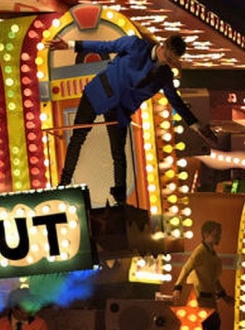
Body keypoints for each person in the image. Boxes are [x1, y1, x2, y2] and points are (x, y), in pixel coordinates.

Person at [49, 34, 217, 205]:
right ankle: (64, 183)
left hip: (121, 109)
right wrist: (70, 45)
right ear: (163, 44)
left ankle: (120, 199)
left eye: (171, 60)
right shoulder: (135, 44)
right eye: (166, 56)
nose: (166, 61)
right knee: (78, 138)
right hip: (99, 92)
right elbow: (105, 46)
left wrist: (197, 126)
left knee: (118, 153)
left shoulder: (165, 75)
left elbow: (176, 102)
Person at [172, 220, 234, 330]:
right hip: (200, 297)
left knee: (208, 327)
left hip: (209, 297)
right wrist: (177, 287)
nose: (219, 238)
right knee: (203, 327)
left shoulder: (211, 254)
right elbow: (186, 268)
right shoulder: (200, 252)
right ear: (207, 234)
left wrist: (223, 295)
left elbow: (213, 278)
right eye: (216, 235)